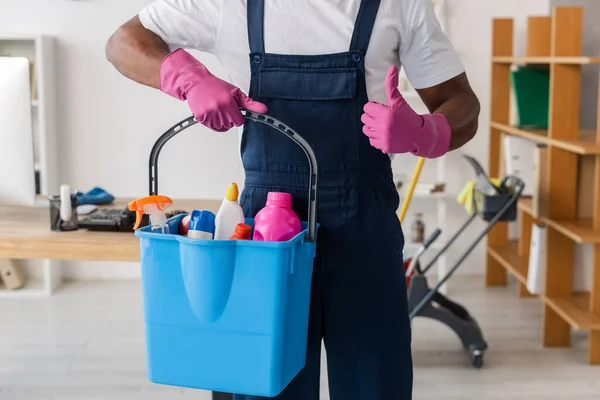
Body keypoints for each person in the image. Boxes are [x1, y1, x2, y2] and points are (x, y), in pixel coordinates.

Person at [106, 0, 480, 399]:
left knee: (374, 385)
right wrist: (189, 79)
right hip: (262, 240)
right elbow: (124, 42)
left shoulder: (397, 5)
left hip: (364, 233)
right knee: (261, 385)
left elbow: (462, 104)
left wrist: (426, 131)